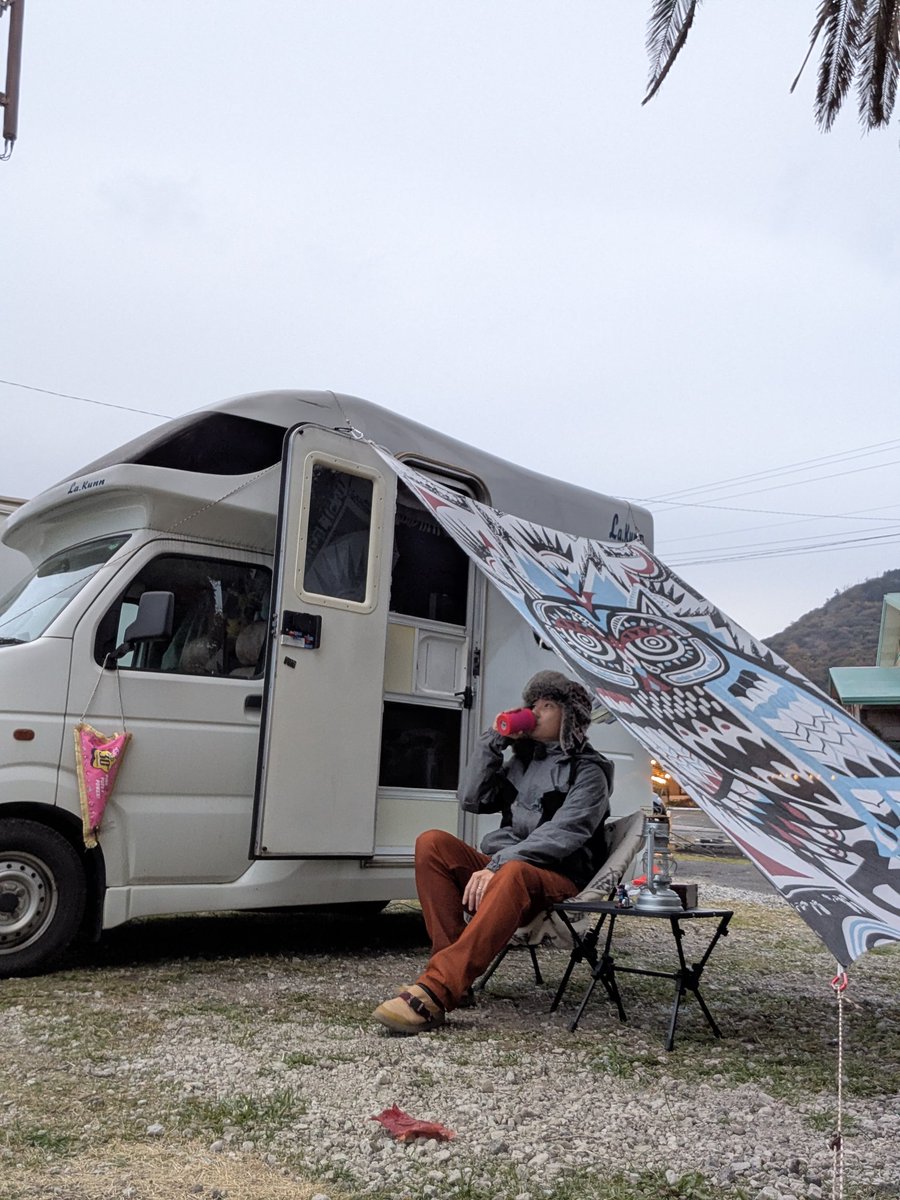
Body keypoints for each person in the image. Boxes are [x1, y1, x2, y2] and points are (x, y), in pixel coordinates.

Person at [372, 669, 613, 1035]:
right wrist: (492, 742)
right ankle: (456, 977)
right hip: (507, 869)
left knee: (515, 872)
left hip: (558, 876)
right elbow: (472, 798)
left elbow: (566, 833)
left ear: (571, 717)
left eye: (547, 705)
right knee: (432, 843)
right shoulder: (523, 761)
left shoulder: (589, 771)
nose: (535, 711)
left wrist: (500, 864)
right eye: (533, 703)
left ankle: (437, 990)